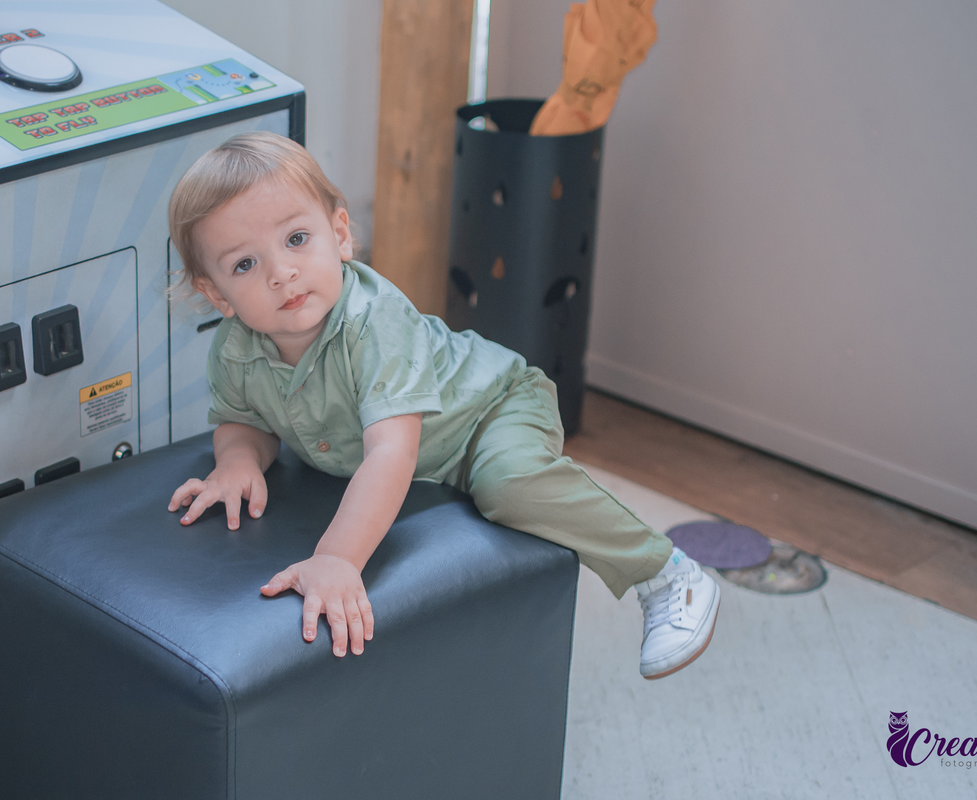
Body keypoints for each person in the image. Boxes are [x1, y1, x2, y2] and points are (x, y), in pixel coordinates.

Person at [166, 131, 720, 679]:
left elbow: (391, 451)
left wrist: (337, 559)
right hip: (427, 452)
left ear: (339, 234)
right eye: (244, 265)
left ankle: (666, 573)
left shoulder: (374, 322)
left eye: (295, 240)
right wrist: (238, 459)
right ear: (216, 294)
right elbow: (244, 417)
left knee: (510, 484)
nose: (279, 273)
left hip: (489, 409)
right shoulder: (236, 350)